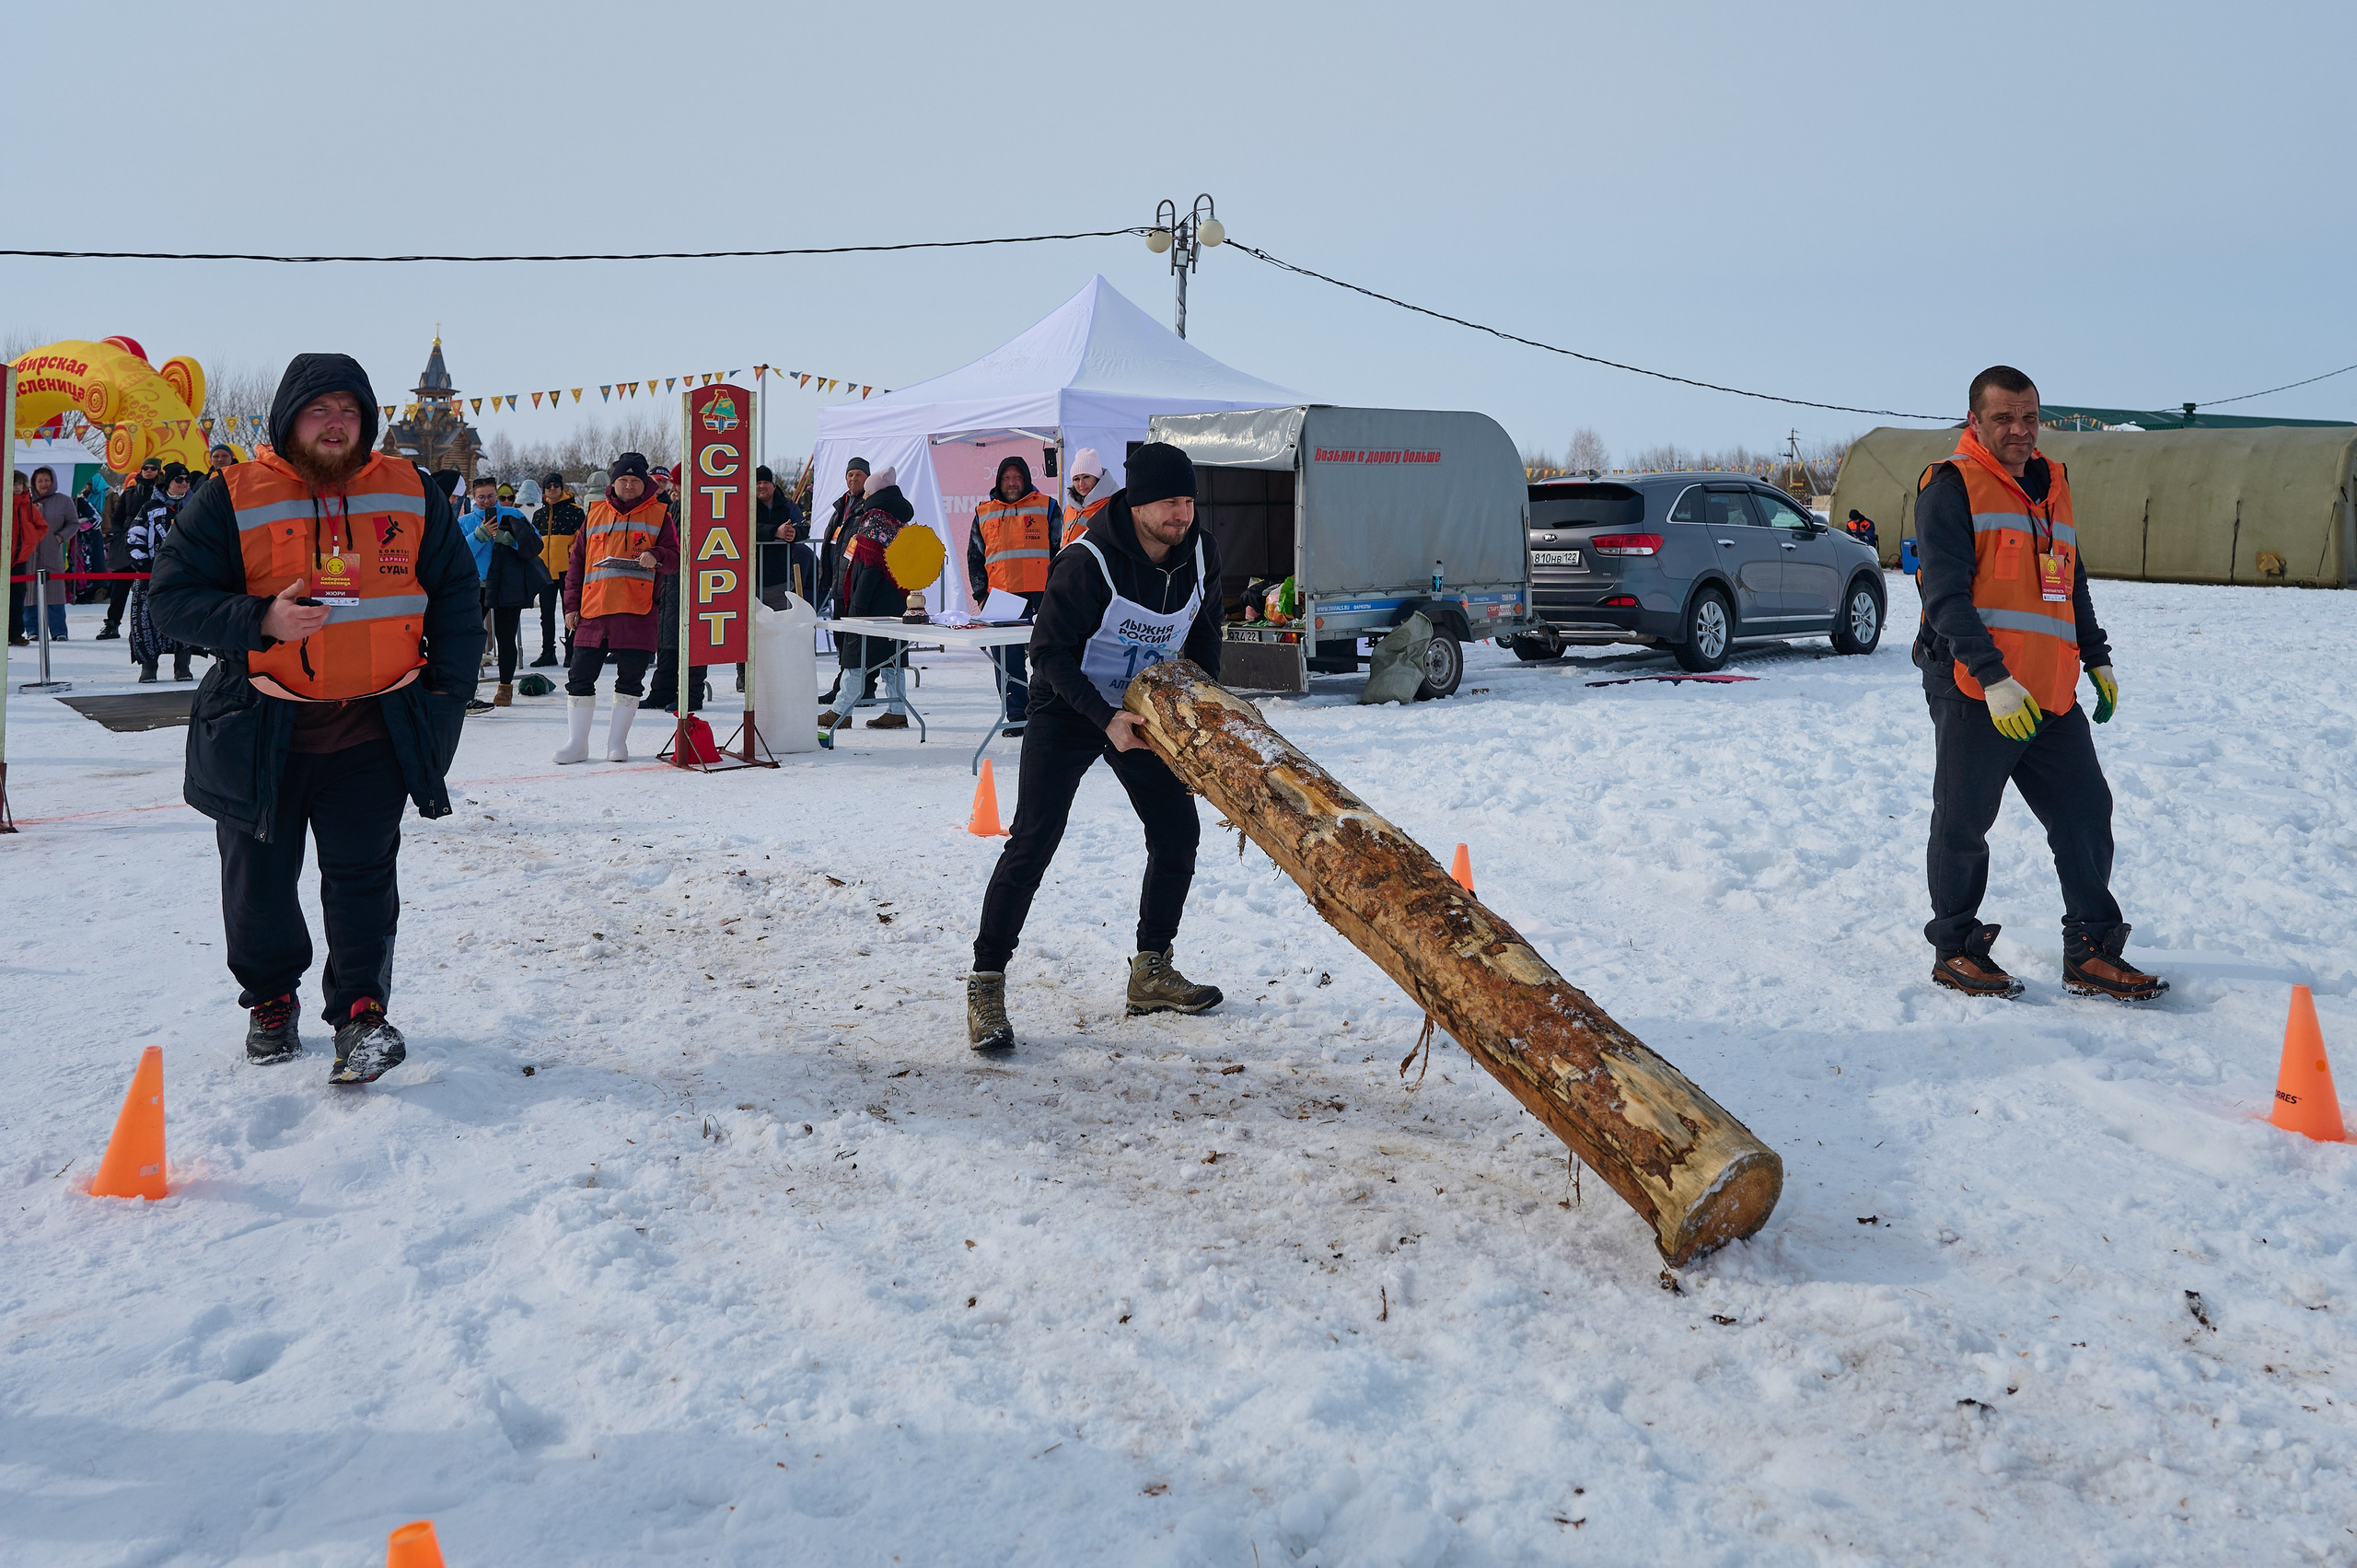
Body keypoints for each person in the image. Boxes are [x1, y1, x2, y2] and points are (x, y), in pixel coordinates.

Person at [146, 354, 482, 1085]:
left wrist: (448, 696)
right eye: (318, 411)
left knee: (363, 878)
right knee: (259, 882)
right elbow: (169, 599)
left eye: (348, 411)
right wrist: (259, 617)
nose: (335, 424)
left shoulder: (410, 489)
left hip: (374, 727)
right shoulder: (232, 494)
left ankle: (361, 1012)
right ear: (288, 419)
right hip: (261, 728)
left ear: (367, 420)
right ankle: (272, 1000)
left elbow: (458, 593)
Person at [1913, 366, 2165, 1003]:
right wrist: (1994, 678)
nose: (2020, 430)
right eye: (2004, 418)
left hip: (2049, 688)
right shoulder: (1950, 486)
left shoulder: (2053, 484)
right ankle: (1955, 948)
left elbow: (2068, 577)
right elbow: (1944, 597)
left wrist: (2096, 655)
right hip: (1976, 687)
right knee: (1964, 823)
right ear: (1975, 421)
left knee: (2085, 813)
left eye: (2030, 417)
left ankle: (2091, 950)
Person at [966, 443, 1225, 1050]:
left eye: (1189, 501)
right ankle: (986, 981)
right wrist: (1104, 718)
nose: (1183, 514)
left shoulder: (1201, 553)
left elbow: (1205, 636)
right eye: (1170, 502)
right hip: (1069, 705)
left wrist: (1196, 719)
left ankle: (1151, 968)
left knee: (1177, 831)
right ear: (1137, 503)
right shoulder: (1088, 561)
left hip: (1145, 707)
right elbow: (1046, 652)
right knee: (1034, 838)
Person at [558, 451, 678, 763]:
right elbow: (576, 564)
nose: (628, 485)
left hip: (637, 611)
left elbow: (675, 559)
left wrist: (657, 555)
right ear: (614, 482)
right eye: (623, 479)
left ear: (645, 483)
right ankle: (577, 743)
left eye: (635, 480)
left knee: (630, 680)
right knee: (579, 677)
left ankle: (617, 743)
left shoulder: (660, 515)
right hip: (593, 610)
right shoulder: (595, 513)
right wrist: (570, 606)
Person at [965, 454, 1061, 735]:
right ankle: (1017, 716)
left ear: (1026, 479)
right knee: (1007, 661)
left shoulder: (1047, 507)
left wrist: (1059, 592)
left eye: (1017, 477)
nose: (1012, 483)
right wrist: (981, 595)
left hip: (1042, 596)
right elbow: (974, 557)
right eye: (1006, 478)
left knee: (1047, 658)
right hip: (1001, 598)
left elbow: (1059, 550)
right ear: (999, 481)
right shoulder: (984, 512)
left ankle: (1045, 714)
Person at [823, 466, 916, 729]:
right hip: (896, 599)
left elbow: (868, 566)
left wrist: (858, 604)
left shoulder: (874, 520)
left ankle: (841, 711)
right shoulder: (898, 519)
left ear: (874, 493)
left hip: (871, 602)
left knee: (854, 656)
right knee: (892, 658)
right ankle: (897, 710)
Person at [468, 478, 543, 706]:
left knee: (506, 636)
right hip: (477, 585)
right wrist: (479, 535)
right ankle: (467, 685)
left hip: (508, 584)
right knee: (469, 637)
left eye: (491, 496)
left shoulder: (513, 515)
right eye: (481, 497)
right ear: (473, 497)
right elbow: (458, 553)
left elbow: (535, 543)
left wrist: (512, 540)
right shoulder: (465, 521)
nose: (487, 501)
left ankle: (505, 687)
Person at [128, 466, 201, 681]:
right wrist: (143, 564)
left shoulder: (196, 506)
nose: (184, 483)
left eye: (187, 479)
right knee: (146, 620)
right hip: (152, 575)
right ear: (168, 482)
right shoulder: (150, 507)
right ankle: (149, 667)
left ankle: (183, 666)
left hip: (187, 574)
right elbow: (134, 536)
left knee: (186, 617)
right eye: (179, 479)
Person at [652, 463, 712, 715]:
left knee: (693, 640)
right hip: (670, 582)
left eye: (678, 484)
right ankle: (662, 691)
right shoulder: (671, 509)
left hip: (693, 583)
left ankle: (691, 694)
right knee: (667, 639)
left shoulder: (704, 511)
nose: (673, 489)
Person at [99, 456, 165, 639]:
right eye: (146, 468)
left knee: (153, 586)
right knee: (120, 586)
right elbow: (117, 517)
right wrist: (119, 534)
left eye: (153, 468)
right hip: (128, 542)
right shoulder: (130, 493)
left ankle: (157, 626)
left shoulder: (163, 492)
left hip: (154, 542)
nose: (149, 471)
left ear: (158, 471)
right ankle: (112, 624)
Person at [530, 471, 584, 667]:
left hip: (567, 570)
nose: (552, 489)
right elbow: (534, 540)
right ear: (543, 490)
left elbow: (582, 539)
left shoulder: (575, 511)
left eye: (556, 485)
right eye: (548, 486)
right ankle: (548, 651)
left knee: (570, 612)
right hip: (545, 571)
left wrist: (570, 555)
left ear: (562, 487)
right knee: (546, 614)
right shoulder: (539, 514)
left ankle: (571, 651)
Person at [22, 466, 75, 642]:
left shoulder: (64, 501)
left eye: (47, 480)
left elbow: (73, 523)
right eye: (40, 481)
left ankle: (59, 631)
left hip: (52, 552)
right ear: (33, 483)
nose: (43, 484)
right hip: (28, 553)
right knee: (29, 593)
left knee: (55, 593)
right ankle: (32, 630)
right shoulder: (25, 501)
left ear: (53, 481)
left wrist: (60, 537)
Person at [817, 457, 869, 617]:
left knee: (854, 628)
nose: (854, 478)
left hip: (856, 582)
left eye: (859, 474)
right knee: (839, 628)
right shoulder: (841, 504)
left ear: (867, 478)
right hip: (838, 581)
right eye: (850, 475)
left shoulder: (869, 503)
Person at [754, 463, 811, 606]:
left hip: (779, 581)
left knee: (780, 619)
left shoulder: (788, 505)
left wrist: (794, 533)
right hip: (749, 581)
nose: (762, 486)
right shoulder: (746, 505)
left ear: (774, 485)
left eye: (766, 482)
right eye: (758, 482)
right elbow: (744, 528)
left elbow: (803, 526)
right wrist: (775, 532)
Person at [8, 470, 45, 646]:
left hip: (19, 560)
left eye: (19, 484)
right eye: (14, 483)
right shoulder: (5, 503)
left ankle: (15, 633)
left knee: (17, 597)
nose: (17, 487)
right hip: (4, 559)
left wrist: (29, 542)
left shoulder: (28, 506)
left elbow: (42, 527)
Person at [1060, 447, 1110, 548]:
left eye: (1086, 477)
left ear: (1097, 478)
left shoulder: (1109, 506)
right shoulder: (1069, 509)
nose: (1081, 484)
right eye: (1076, 479)